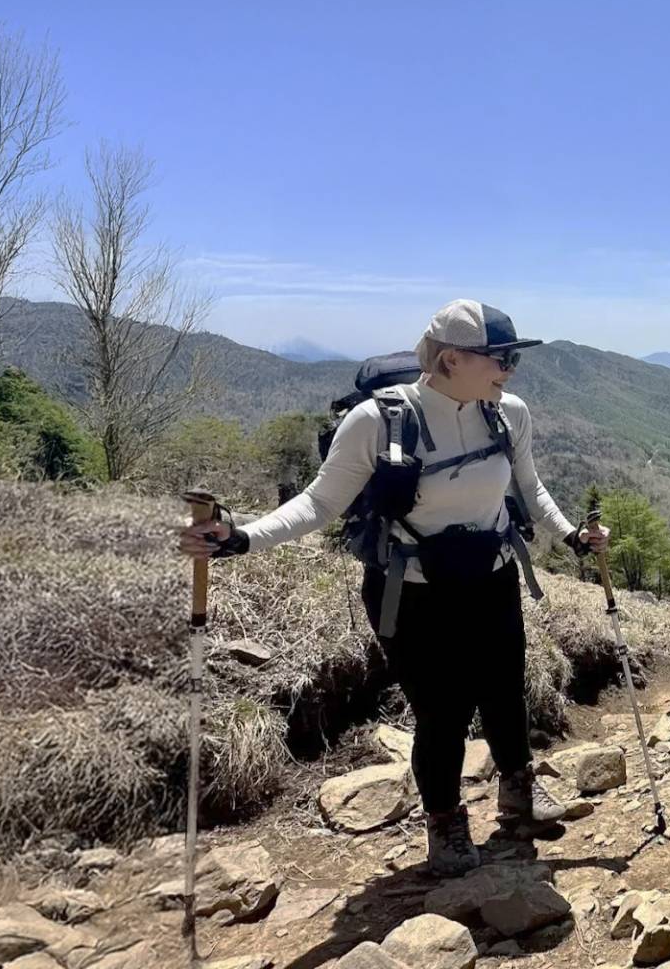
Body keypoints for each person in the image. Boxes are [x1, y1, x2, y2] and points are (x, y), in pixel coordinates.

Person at [180, 300, 610, 876]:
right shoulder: (378, 422)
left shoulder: (508, 413)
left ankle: (520, 799)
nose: (510, 369)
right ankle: (445, 824)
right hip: (412, 592)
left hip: (492, 576)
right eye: (501, 358)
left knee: (506, 690)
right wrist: (241, 539)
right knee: (443, 711)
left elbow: (531, 488)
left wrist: (573, 537)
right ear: (453, 358)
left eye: (512, 359)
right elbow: (319, 503)